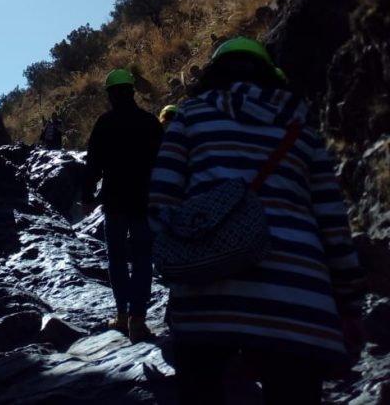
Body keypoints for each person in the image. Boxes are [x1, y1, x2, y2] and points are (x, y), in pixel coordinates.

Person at [149, 37, 366, 405]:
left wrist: (176, 261)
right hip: (298, 302)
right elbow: (332, 223)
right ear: (271, 75)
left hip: (206, 299)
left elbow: (161, 200)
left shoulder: (190, 115)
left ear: (213, 74)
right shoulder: (302, 127)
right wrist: (349, 304)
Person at [82, 69, 164, 343]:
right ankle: (138, 320)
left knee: (116, 259)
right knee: (142, 260)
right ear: (132, 91)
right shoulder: (150, 123)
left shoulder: (105, 123)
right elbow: (164, 162)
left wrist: (86, 196)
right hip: (144, 201)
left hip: (115, 201)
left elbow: (93, 163)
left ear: (110, 94)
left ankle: (121, 314)